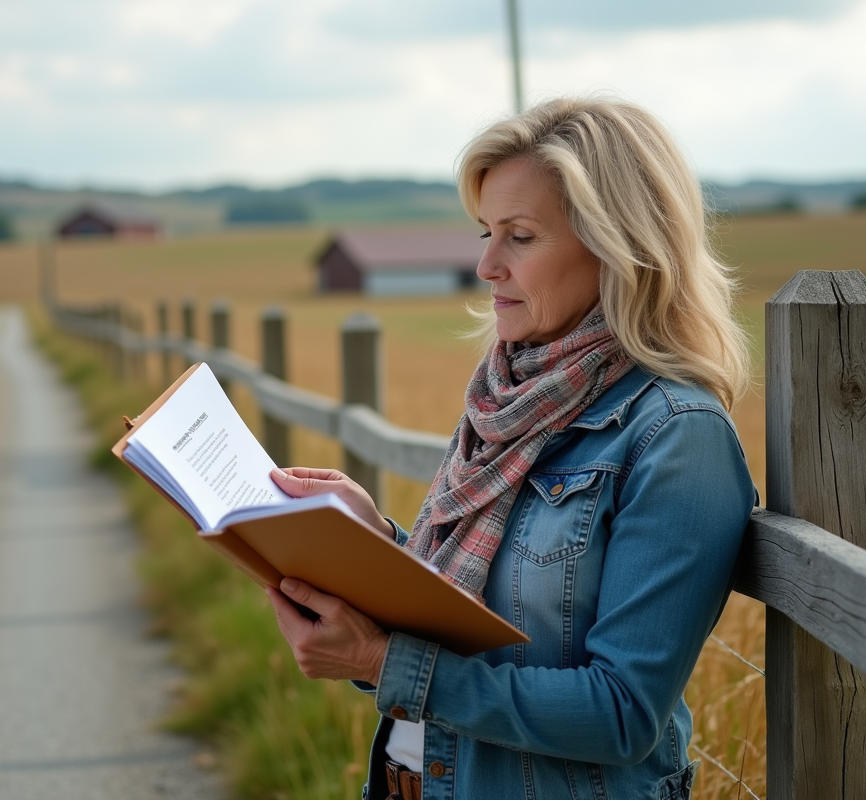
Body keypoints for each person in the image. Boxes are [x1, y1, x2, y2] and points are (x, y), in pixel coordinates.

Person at [265, 97, 757, 800]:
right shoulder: (510, 398)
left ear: (619, 245)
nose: (486, 265)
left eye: (519, 236)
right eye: (485, 233)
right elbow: (485, 616)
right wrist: (370, 540)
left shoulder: (675, 435)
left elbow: (623, 713)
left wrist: (383, 659)